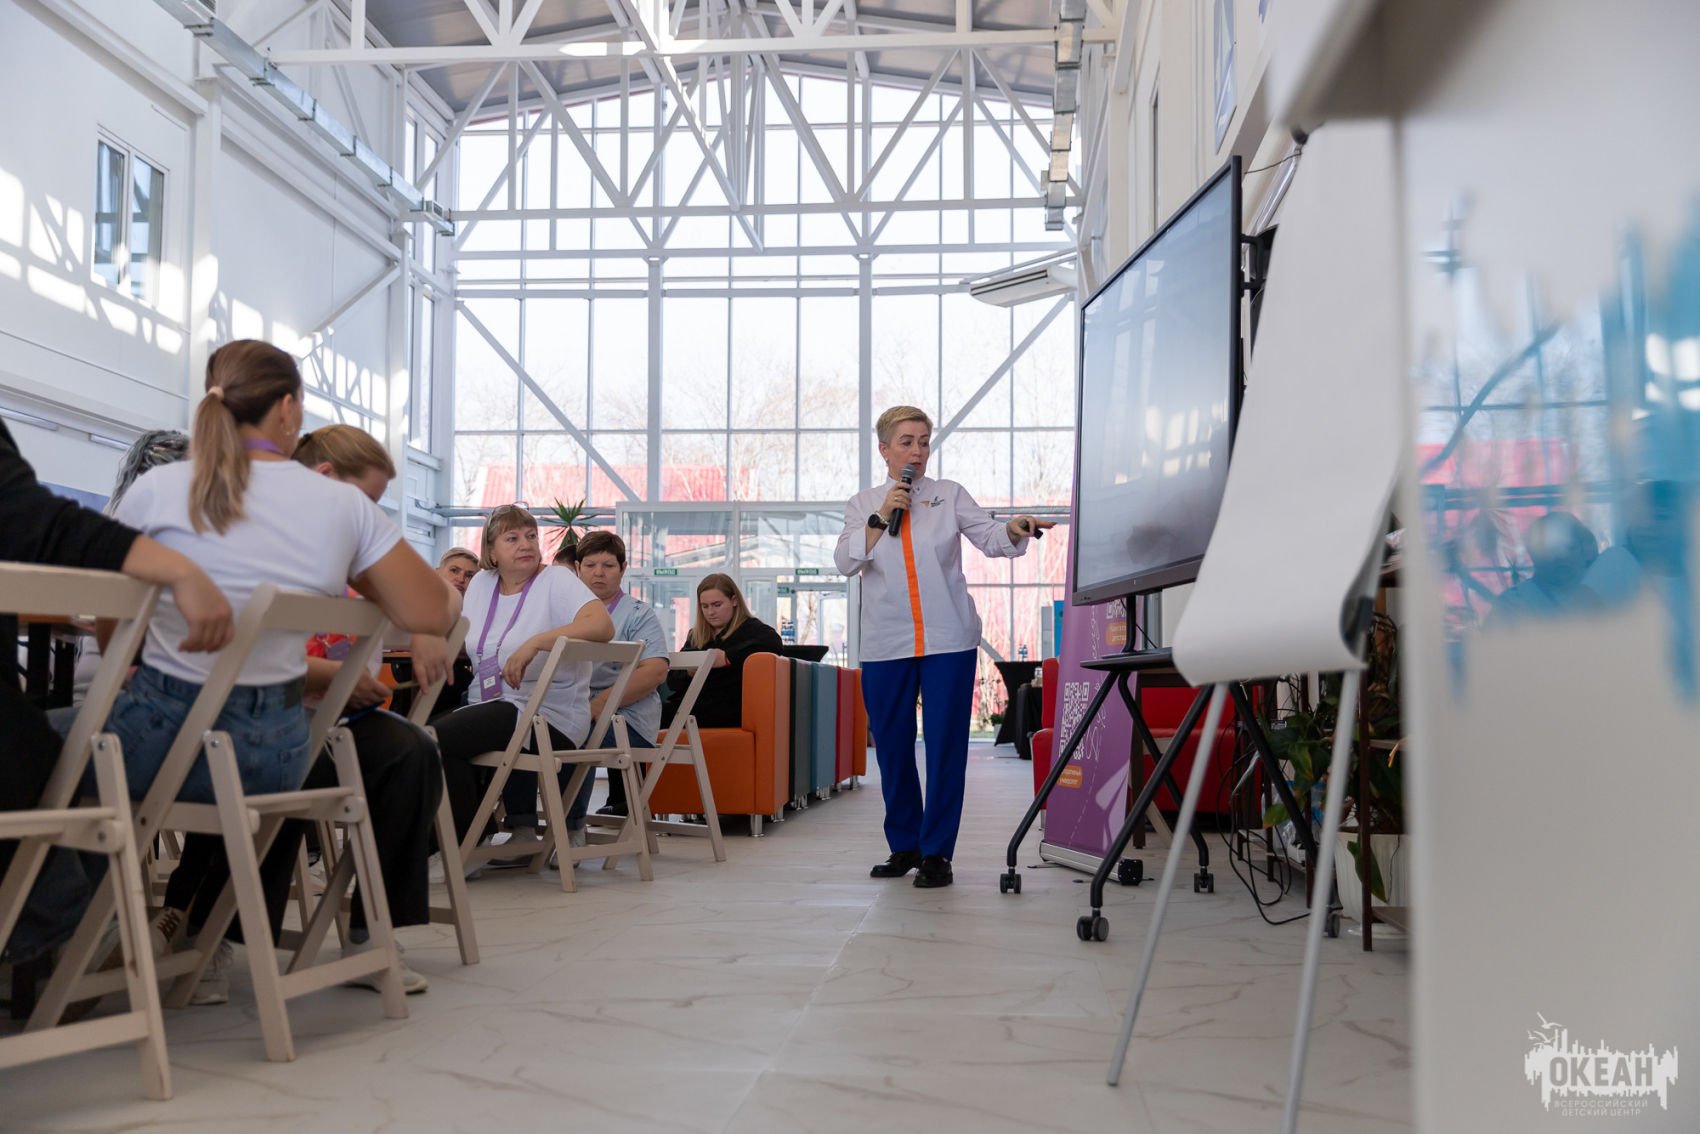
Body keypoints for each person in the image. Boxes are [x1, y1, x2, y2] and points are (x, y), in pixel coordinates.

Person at [43, 340, 458, 1002]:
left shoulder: (158, 489)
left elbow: (109, 615)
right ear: (288, 408)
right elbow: (431, 608)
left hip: (161, 745)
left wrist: (130, 670)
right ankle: (99, 931)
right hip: (276, 759)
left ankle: (70, 932)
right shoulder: (342, 507)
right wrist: (360, 570)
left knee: (26, 746)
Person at [0, 420, 233, 972]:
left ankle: (70, 926)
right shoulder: (222, 547)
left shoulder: (146, 531)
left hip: (119, 706)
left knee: (63, 743)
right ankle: (80, 926)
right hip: (211, 732)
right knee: (59, 743)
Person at [833, 405, 1053, 888]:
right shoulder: (863, 503)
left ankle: (936, 852)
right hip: (886, 643)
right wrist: (881, 516)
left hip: (948, 640)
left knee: (945, 747)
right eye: (906, 441)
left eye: (923, 441)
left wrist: (1013, 528)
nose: (917, 451)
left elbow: (990, 537)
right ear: (884, 449)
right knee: (892, 748)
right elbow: (846, 562)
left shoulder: (949, 495)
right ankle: (904, 845)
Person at [429, 505, 615, 855]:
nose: (526, 544)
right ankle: (467, 839)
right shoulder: (481, 584)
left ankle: (461, 848)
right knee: (422, 737)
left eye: (531, 536)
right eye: (512, 538)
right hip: (489, 704)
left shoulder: (555, 580)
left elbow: (602, 626)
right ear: (491, 551)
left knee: (437, 738)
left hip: (546, 714)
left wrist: (537, 641)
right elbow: (471, 640)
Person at [567, 532, 673, 824]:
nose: (598, 573)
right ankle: (522, 822)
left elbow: (655, 670)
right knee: (525, 727)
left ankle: (569, 829)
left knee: (571, 732)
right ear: (577, 568)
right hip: (575, 709)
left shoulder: (638, 614)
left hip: (626, 720)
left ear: (623, 568)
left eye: (608, 565)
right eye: (590, 565)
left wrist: (599, 704)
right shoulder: (565, 612)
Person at [662, 574, 782, 731]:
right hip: (690, 705)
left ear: (734, 601)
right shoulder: (696, 635)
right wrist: (689, 672)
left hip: (726, 708)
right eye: (705, 606)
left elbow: (774, 643)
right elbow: (672, 682)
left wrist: (726, 658)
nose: (710, 612)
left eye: (717, 605)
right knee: (645, 712)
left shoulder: (753, 630)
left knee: (651, 716)